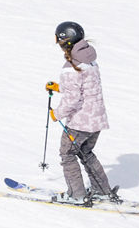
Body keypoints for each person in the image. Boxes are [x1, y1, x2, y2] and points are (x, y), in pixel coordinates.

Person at [47, 21, 115, 205]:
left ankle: (76, 195)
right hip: (96, 119)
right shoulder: (89, 60)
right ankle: (102, 191)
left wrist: (57, 114)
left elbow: (73, 100)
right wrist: (60, 87)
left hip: (80, 123)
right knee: (86, 152)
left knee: (67, 154)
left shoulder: (71, 68)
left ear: (64, 42)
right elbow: (84, 88)